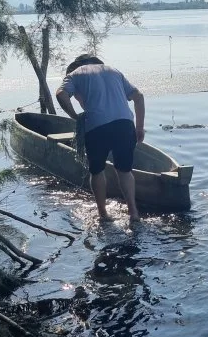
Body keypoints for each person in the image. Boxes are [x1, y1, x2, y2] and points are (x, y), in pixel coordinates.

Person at [56, 54, 145, 222]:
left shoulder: (75, 74)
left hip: (96, 126)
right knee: (125, 170)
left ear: (76, 66)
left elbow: (61, 94)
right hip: (125, 124)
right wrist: (139, 127)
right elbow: (138, 96)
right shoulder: (113, 71)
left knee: (97, 171)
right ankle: (133, 213)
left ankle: (103, 214)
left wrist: (74, 116)